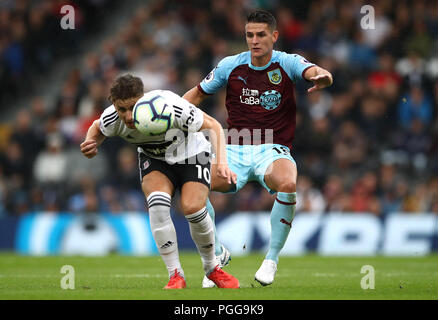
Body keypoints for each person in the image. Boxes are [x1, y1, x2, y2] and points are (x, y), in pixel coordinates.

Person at [183, 9, 333, 287]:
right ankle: (216, 255)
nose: (254, 40)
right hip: (234, 149)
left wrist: (323, 76)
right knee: (193, 185)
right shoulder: (231, 66)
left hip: (272, 148)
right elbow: (197, 93)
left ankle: (271, 259)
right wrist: (173, 112)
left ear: (274, 36)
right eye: (250, 35)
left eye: (261, 34)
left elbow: (313, 70)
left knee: (288, 182)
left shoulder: (286, 63)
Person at [80, 74, 239, 289]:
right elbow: (97, 128)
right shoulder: (113, 118)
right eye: (121, 109)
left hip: (193, 154)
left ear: (142, 98)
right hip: (155, 159)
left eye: (132, 107)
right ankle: (175, 275)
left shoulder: (172, 107)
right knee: (157, 205)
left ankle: (212, 268)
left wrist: (221, 163)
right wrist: (90, 143)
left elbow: (214, 125)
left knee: (193, 209)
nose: (127, 116)